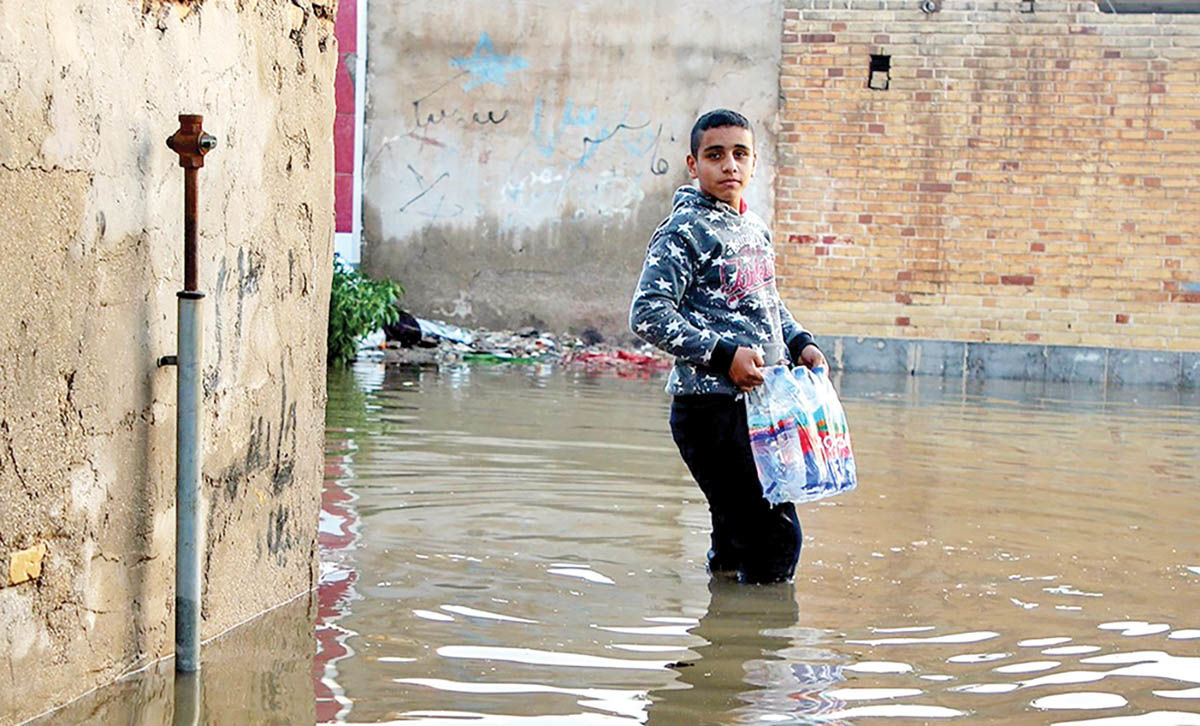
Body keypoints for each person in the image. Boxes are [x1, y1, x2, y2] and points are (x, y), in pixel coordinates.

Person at [629, 108, 826, 584]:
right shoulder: (683, 232)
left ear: (755, 163)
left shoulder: (753, 227)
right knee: (776, 537)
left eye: (740, 154)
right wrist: (723, 355)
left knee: (736, 539)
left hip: (759, 406)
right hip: (709, 411)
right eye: (715, 155)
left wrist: (800, 342)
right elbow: (648, 313)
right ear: (694, 165)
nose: (729, 166)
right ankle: (760, 640)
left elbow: (767, 301)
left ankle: (722, 647)